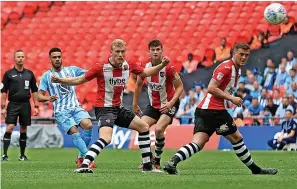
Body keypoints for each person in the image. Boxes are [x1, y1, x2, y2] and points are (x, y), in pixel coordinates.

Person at [51, 39, 170, 173]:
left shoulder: (128, 65)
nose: (120, 55)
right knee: (106, 138)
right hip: (104, 109)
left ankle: (148, 167)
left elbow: (147, 72)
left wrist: (162, 65)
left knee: (143, 127)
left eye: (123, 52)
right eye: (117, 52)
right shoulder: (100, 67)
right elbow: (79, 80)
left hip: (118, 108)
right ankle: (84, 165)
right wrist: (60, 80)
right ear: (111, 52)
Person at [163, 42, 278, 175]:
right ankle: (256, 170)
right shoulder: (227, 67)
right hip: (214, 110)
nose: (244, 57)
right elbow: (211, 88)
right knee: (237, 138)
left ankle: (172, 162)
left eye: (247, 55)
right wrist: (231, 98)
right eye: (241, 54)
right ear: (233, 53)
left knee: (198, 143)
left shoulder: (236, 69)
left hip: (204, 110)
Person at [37, 48, 95, 168]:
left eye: (59, 56)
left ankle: (80, 157)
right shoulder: (46, 76)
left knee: (88, 125)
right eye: (54, 57)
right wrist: (48, 98)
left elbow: (90, 73)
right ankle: (88, 159)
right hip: (61, 111)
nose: (57, 59)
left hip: (75, 107)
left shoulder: (72, 70)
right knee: (74, 130)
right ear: (50, 59)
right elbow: (39, 96)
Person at [133, 40, 184, 169]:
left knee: (159, 129)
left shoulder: (170, 67)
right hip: (153, 105)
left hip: (169, 104)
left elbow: (180, 87)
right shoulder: (145, 67)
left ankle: (157, 161)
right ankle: (148, 158)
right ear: (149, 52)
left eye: (158, 49)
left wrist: (171, 103)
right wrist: (134, 104)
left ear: (162, 50)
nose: (155, 52)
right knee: (141, 126)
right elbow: (138, 85)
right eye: (153, 50)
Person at [1, 50, 39, 161]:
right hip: (13, 104)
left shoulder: (29, 74)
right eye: (18, 56)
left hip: (25, 104)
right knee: (10, 127)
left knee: (23, 129)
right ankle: (5, 154)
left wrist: (36, 105)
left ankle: (22, 155)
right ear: (15, 58)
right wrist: (3, 107)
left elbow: (34, 91)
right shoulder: (8, 74)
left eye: (22, 56)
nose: (21, 58)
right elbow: (4, 91)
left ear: (24, 58)